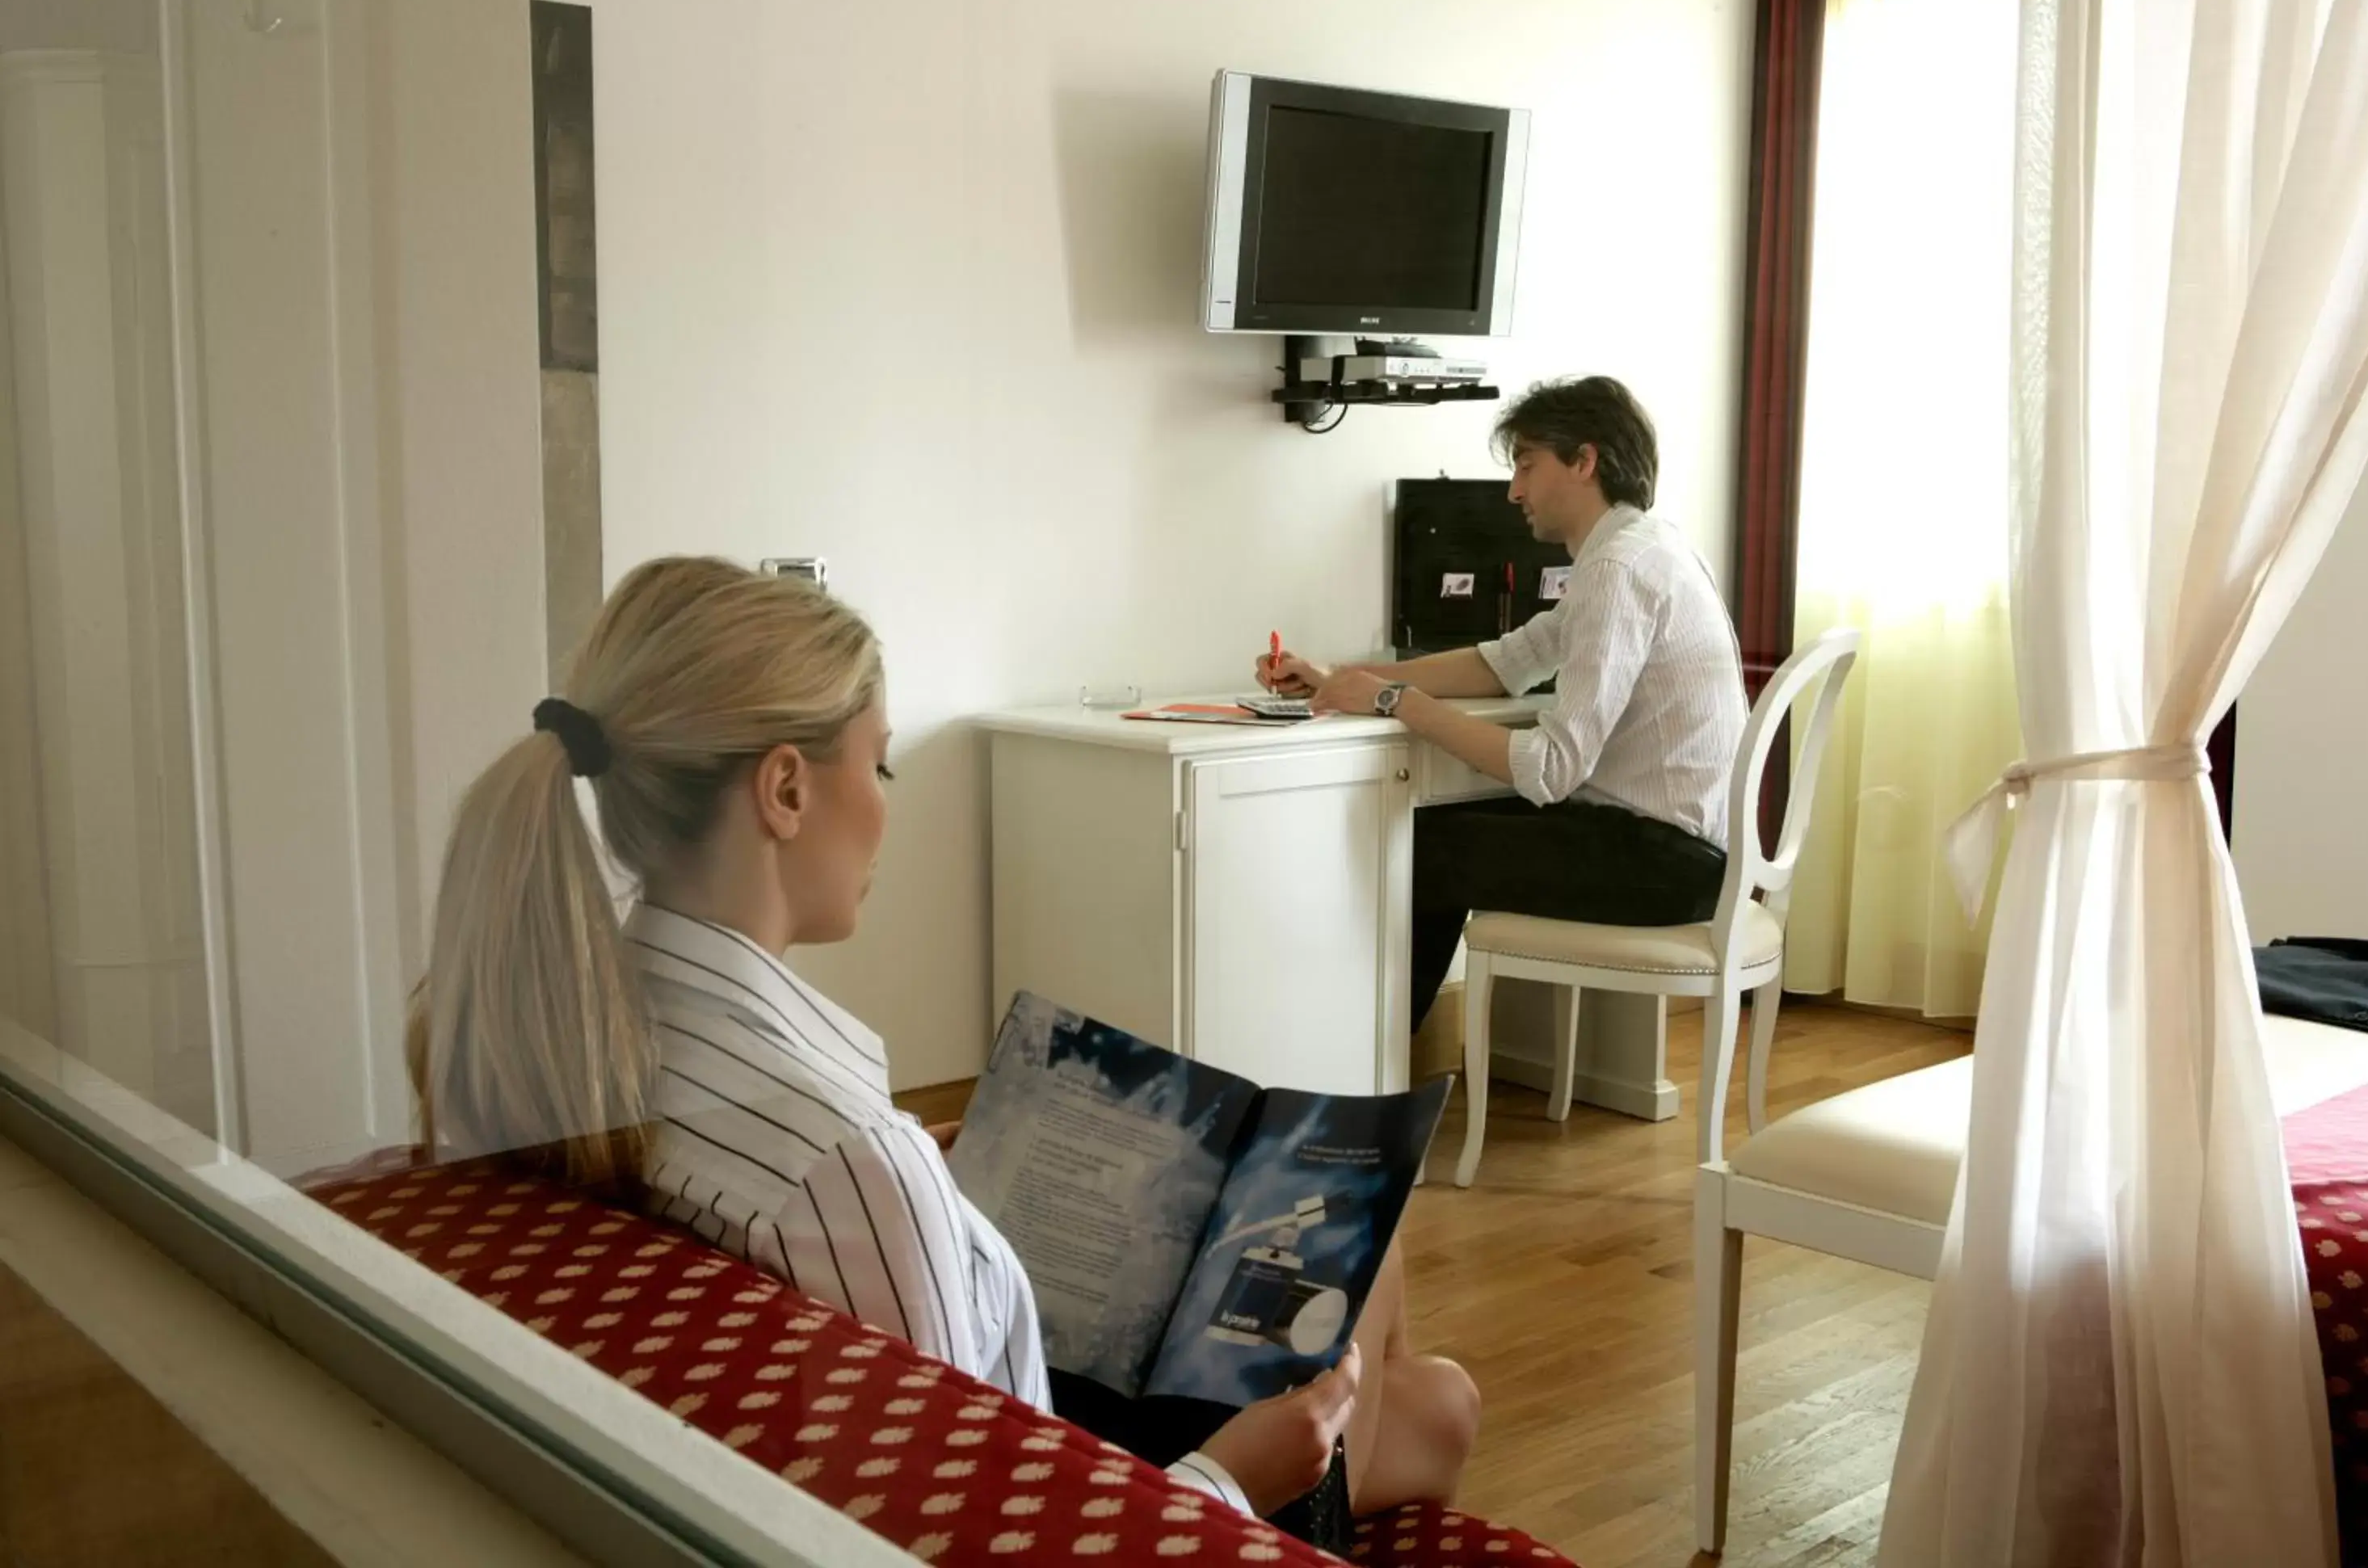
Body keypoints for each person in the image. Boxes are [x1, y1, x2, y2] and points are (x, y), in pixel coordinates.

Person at [407, 556, 1478, 1549]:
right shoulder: (847, 1158)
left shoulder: (586, 1028)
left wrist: (926, 1182)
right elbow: (978, 1525)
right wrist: (1234, 1480)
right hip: (1090, 1506)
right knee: (1396, 1326)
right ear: (784, 791)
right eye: (878, 763)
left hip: (870, 1434)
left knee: (1432, 1396)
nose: (887, 801)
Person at [1260, 377, 1748, 1030]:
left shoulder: (1617, 570)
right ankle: (1371, 1054)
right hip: (1679, 849)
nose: (1514, 490)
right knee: (1442, 830)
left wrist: (1392, 700)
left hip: (1664, 863)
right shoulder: (1646, 547)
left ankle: (1363, 1061)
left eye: (1525, 464)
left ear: (1584, 461)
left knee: (1419, 845)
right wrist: (1335, 676)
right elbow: (1506, 664)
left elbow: (1551, 770)